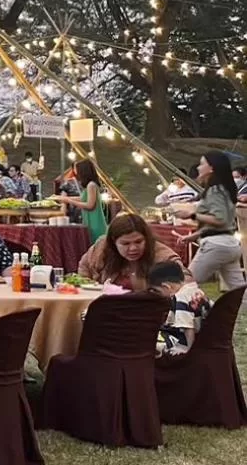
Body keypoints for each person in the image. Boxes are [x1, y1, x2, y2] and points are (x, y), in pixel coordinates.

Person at [184, 151, 245, 291]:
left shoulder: (215, 190)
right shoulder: (224, 189)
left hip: (216, 246)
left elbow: (220, 219)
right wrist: (194, 236)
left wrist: (192, 215)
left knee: (186, 282)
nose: (198, 168)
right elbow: (222, 222)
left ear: (211, 168)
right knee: (240, 291)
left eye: (201, 164)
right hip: (230, 244)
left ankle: (188, 310)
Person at [77, 213, 180, 290]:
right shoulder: (101, 249)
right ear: (114, 242)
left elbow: (182, 276)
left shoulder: (161, 254)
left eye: (138, 242)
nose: (133, 248)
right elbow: (84, 269)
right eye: (126, 244)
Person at [149, 259, 211, 355]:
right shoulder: (195, 290)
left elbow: (188, 327)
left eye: (158, 291)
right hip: (205, 338)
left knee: (147, 343)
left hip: (182, 342)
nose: (158, 295)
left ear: (166, 287)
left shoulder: (181, 298)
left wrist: (190, 352)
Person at [57, 159, 108, 242]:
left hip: (94, 221)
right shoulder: (89, 185)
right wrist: (64, 198)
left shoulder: (91, 185)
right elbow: (82, 198)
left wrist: (69, 201)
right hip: (89, 219)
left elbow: (89, 205)